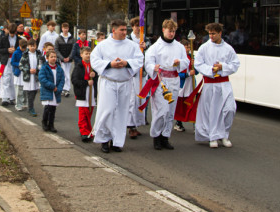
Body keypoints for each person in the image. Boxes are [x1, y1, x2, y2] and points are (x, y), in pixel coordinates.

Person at [90, 19, 144, 154]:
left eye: (126, 30)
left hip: (124, 83)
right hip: (108, 82)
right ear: (113, 30)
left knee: (121, 112)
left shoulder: (132, 45)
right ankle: (104, 139)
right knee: (107, 110)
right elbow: (94, 60)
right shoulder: (103, 45)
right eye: (122, 30)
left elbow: (139, 59)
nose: (125, 32)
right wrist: (109, 64)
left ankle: (117, 141)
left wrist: (127, 63)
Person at [144, 19, 190, 150]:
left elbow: (186, 62)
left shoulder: (179, 47)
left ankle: (165, 137)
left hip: (174, 80)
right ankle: (156, 136)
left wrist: (179, 62)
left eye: (174, 31)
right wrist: (154, 67)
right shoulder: (155, 47)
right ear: (163, 30)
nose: (172, 34)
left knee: (170, 111)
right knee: (161, 111)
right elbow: (148, 62)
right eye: (170, 31)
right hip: (160, 81)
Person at [194, 22, 240, 148]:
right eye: (209, 34)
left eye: (213, 33)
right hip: (210, 84)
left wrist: (222, 67)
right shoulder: (204, 48)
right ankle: (213, 136)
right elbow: (198, 64)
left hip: (224, 83)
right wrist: (210, 70)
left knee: (230, 109)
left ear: (220, 33)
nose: (211, 36)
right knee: (213, 111)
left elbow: (235, 64)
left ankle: (224, 134)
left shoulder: (228, 48)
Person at [70, 46, 97, 142]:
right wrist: (86, 82)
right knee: (83, 114)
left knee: (89, 113)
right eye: (86, 54)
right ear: (81, 55)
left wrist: (95, 76)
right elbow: (74, 80)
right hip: (82, 93)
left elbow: (97, 80)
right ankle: (84, 132)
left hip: (91, 93)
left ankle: (89, 131)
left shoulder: (93, 66)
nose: (88, 55)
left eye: (90, 53)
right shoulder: (79, 66)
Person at [38, 50, 65, 132]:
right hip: (48, 91)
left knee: (53, 108)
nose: (53, 58)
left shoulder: (59, 69)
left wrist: (59, 88)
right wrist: (52, 86)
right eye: (51, 57)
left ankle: (51, 124)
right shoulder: (44, 68)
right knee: (48, 107)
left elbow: (62, 80)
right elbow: (42, 79)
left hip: (56, 91)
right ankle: (44, 122)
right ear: (47, 58)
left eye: (55, 57)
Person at [0, 23, 20, 107]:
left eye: (14, 33)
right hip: (6, 61)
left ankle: (11, 97)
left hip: (15, 61)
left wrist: (15, 51)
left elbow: (22, 50)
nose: (12, 34)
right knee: (6, 78)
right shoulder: (3, 38)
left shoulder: (19, 39)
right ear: (8, 30)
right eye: (11, 32)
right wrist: (7, 50)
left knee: (14, 79)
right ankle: (5, 98)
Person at [55, 23, 76, 97]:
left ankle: (66, 89)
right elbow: (56, 50)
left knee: (67, 74)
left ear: (68, 29)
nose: (65, 30)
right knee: (63, 74)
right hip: (62, 60)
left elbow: (73, 49)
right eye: (64, 28)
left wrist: (69, 58)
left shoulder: (72, 38)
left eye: (67, 28)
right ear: (62, 29)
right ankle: (63, 88)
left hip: (69, 60)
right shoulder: (58, 39)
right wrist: (62, 58)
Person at [20, 39, 39, 116]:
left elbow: (42, 64)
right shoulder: (25, 55)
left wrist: (37, 70)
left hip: (36, 76)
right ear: (28, 46)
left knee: (34, 91)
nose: (33, 48)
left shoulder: (38, 54)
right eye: (31, 46)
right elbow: (20, 66)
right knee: (30, 92)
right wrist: (28, 70)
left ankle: (30, 106)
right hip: (28, 76)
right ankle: (31, 108)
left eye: (34, 46)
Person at [11, 37, 28, 111]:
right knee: (19, 90)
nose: (24, 49)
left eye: (25, 48)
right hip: (18, 73)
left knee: (25, 90)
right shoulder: (16, 53)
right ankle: (18, 105)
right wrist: (20, 64)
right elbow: (12, 62)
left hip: (25, 72)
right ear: (19, 46)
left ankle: (24, 103)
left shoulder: (27, 52)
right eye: (22, 48)